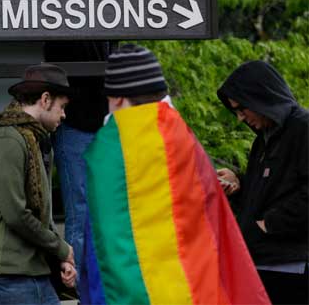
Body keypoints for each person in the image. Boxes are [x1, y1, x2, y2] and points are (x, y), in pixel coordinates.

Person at [82, 44, 269, 304]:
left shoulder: (108, 152)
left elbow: (102, 246)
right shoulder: (185, 140)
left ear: (118, 99)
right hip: (195, 290)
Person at [0, 63, 77, 305]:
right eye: (62, 107)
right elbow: (16, 214)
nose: (64, 115)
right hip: (4, 275)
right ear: (45, 99)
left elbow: (41, 212)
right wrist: (61, 248)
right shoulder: (7, 138)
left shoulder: (33, 139)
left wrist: (60, 255)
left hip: (31, 272)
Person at [217, 60, 308, 304]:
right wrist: (238, 183)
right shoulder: (264, 139)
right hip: (262, 264)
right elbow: (274, 188)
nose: (239, 118)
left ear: (261, 98)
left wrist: (269, 224)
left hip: (292, 269)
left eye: (242, 109)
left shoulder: (303, 129)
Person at [44, 0, 113, 277]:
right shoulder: (56, 21)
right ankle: (84, 285)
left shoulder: (107, 17)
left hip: (109, 127)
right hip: (76, 129)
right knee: (81, 210)